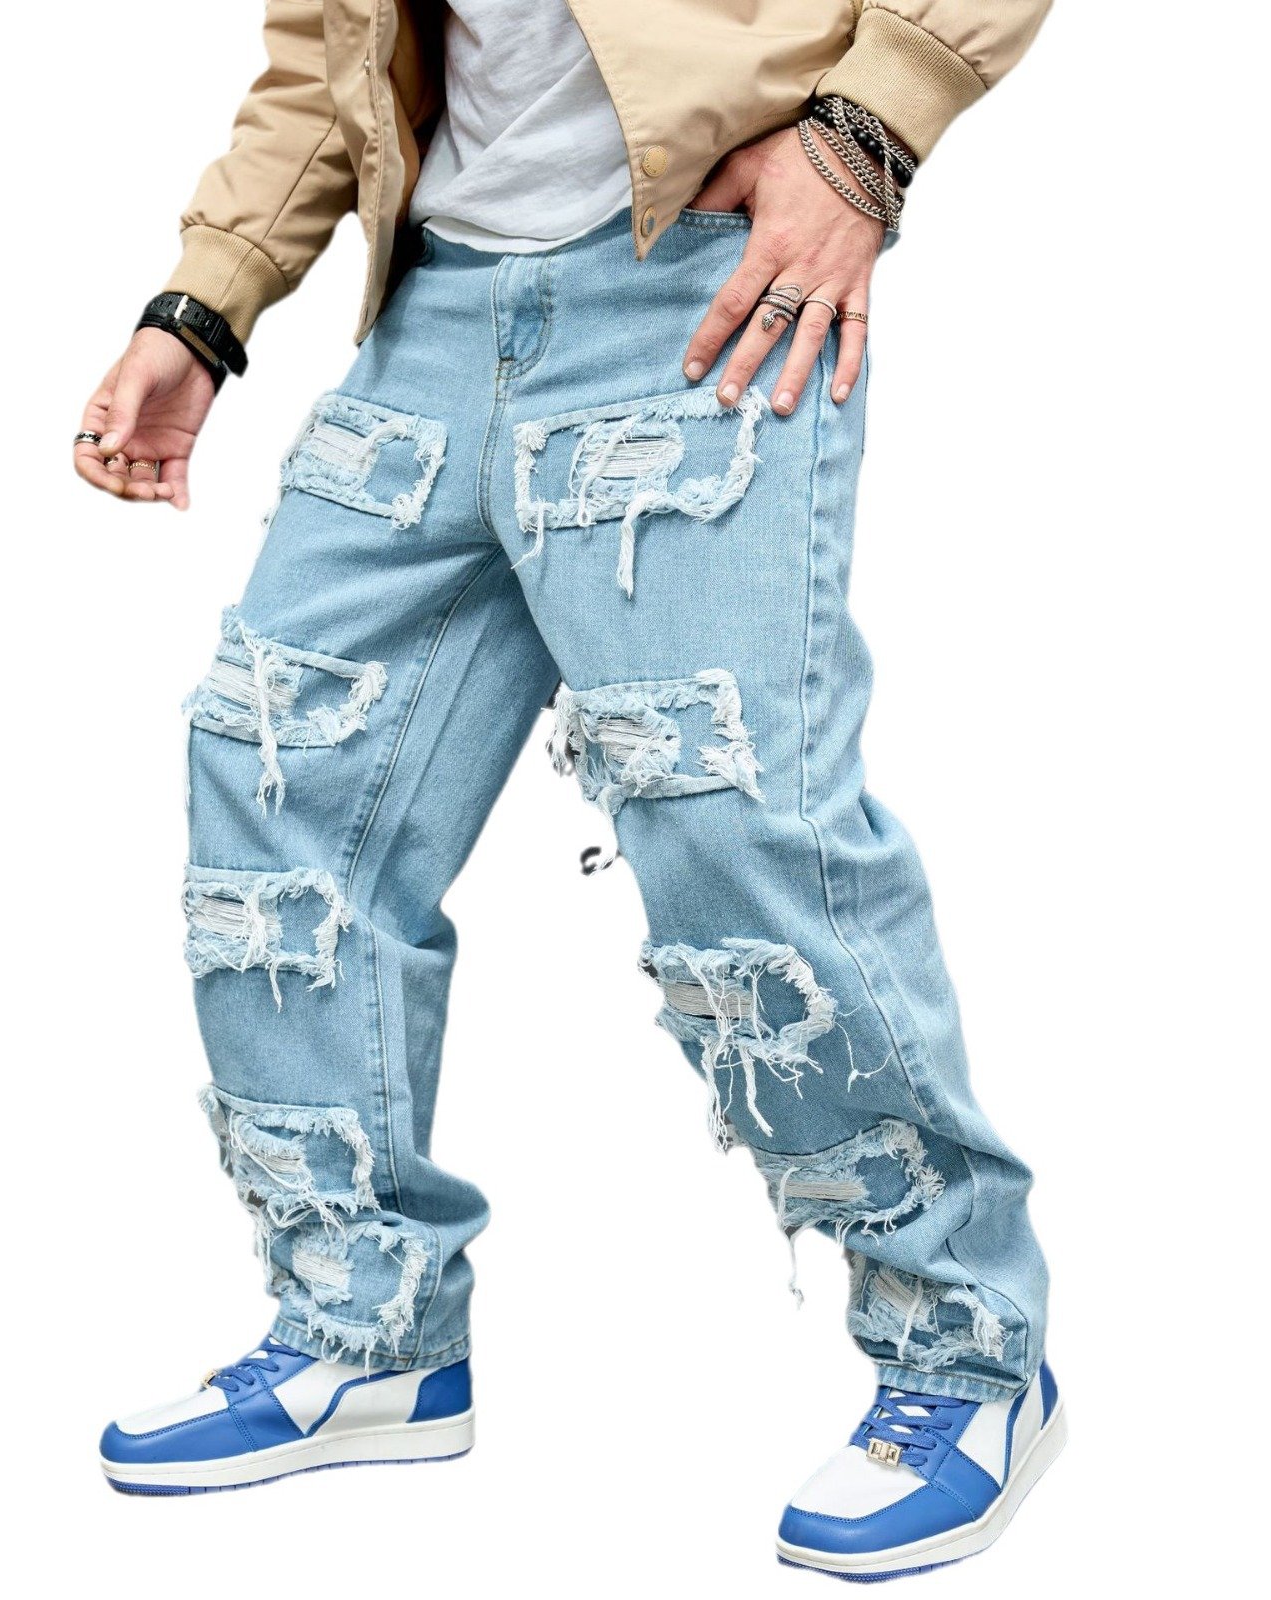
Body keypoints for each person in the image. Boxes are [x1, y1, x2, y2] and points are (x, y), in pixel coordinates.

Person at [76, 0, 1062, 1578]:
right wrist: (202, 308)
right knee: (276, 777)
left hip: (692, 287)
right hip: (437, 309)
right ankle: (368, 1330)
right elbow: (324, 57)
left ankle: (967, 1353)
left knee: (733, 821)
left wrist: (867, 134)